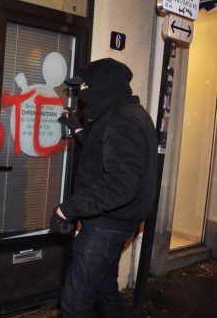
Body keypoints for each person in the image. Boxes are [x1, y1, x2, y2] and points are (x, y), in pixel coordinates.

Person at [51, 58, 158, 318]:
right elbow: (103, 149)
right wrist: (77, 128)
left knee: (74, 304)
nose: (82, 91)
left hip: (107, 225)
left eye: (86, 85)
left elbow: (120, 184)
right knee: (104, 289)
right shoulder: (122, 112)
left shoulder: (122, 119)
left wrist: (68, 209)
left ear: (102, 85)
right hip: (114, 221)